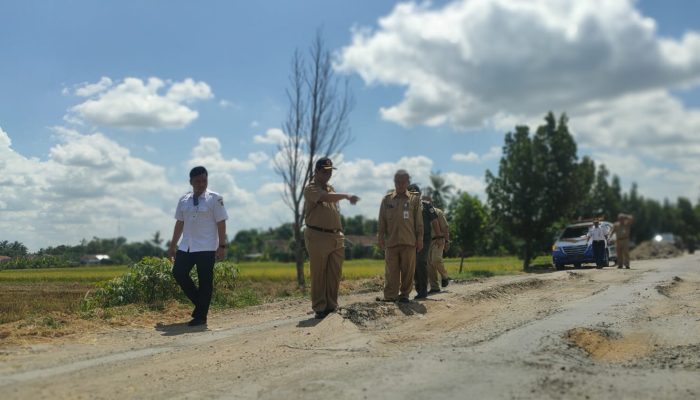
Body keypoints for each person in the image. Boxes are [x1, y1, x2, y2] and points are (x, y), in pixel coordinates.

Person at [168, 166, 228, 327]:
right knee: (179, 273)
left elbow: (221, 223)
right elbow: (179, 223)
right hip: (186, 245)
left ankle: (201, 317)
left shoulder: (215, 199)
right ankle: (201, 306)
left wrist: (222, 246)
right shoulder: (183, 200)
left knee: (205, 282)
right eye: (197, 181)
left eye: (204, 181)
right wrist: (172, 245)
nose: (201, 184)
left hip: (207, 247)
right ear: (191, 182)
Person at [303, 157, 360, 319]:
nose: (328, 175)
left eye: (330, 172)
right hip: (317, 235)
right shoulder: (311, 188)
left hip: (335, 235)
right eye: (324, 172)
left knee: (334, 273)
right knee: (319, 273)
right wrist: (346, 195)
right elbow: (324, 198)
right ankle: (320, 307)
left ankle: (331, 304)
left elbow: (332, 204)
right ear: (316, 172)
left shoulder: (330, 187)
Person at [377, 170, 423, 303]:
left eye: (403, 182)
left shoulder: (414, 200)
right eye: (397, 182)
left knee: (408, 271)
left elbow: (419, 222)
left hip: (409, 242)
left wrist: (420, 239)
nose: (400, 185)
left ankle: (404, 295)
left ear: (408, 183)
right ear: (394, 182)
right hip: (391, 243)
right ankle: (390, 296)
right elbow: (382, 221)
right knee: (391, 271)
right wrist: (380, 237)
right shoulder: (387, 200)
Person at [409, 187, 440, 299]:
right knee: (413, 264)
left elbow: (435, 221)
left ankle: (423, 290)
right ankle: (418, 289)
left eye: (416, 193)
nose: (414, 195)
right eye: (411, 193)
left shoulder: (426, 205)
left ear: (420, 194)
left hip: (425, 238)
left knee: (420, 261)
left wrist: (439, 236)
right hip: (410, 239)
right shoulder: (406, 206)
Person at [429, 201, 451, 292]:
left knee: (436, 259)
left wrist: (446, 241)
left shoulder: (438, 212)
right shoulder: (419, 213)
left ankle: (445, 275)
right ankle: (434, 287)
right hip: (426, 241)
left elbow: (445, 228)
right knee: (429, 265)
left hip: (438, 240)